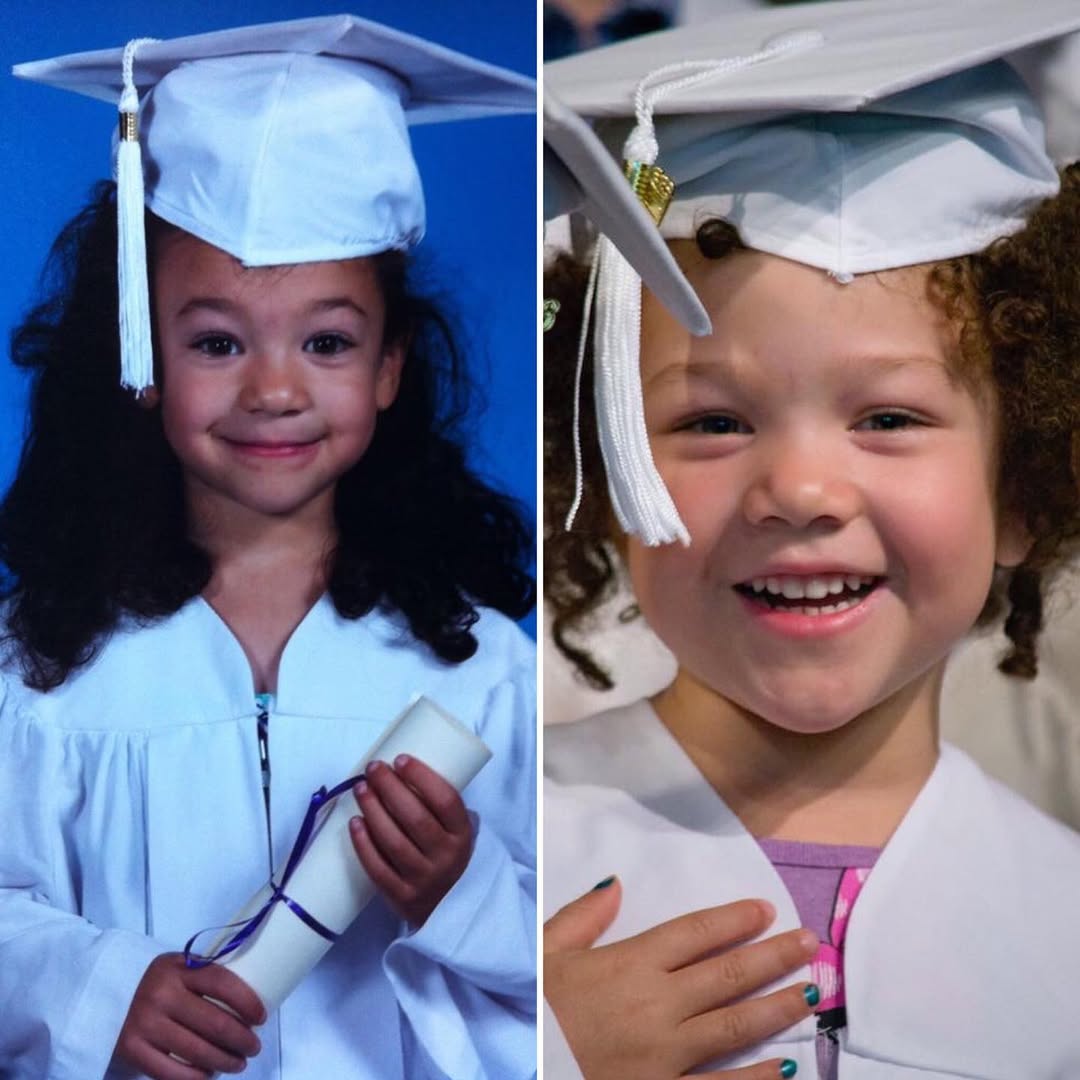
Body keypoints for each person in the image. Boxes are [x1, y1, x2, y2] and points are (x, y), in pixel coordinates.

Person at [542, 2, 1080, 1077]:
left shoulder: (1062, 927)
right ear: (609, 472)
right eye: (712, 423)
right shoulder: (498, 858)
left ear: (1021, 485)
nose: (797, 490)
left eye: (888, 419)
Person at [0, 14, 535, 1080]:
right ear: (140, 352)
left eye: (328, 341)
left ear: (389, 368)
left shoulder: (480, 669)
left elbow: (582, 933)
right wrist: (99, 990)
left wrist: (458, 891)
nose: (275, 390)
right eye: (216, 341)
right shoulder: (38, 664)